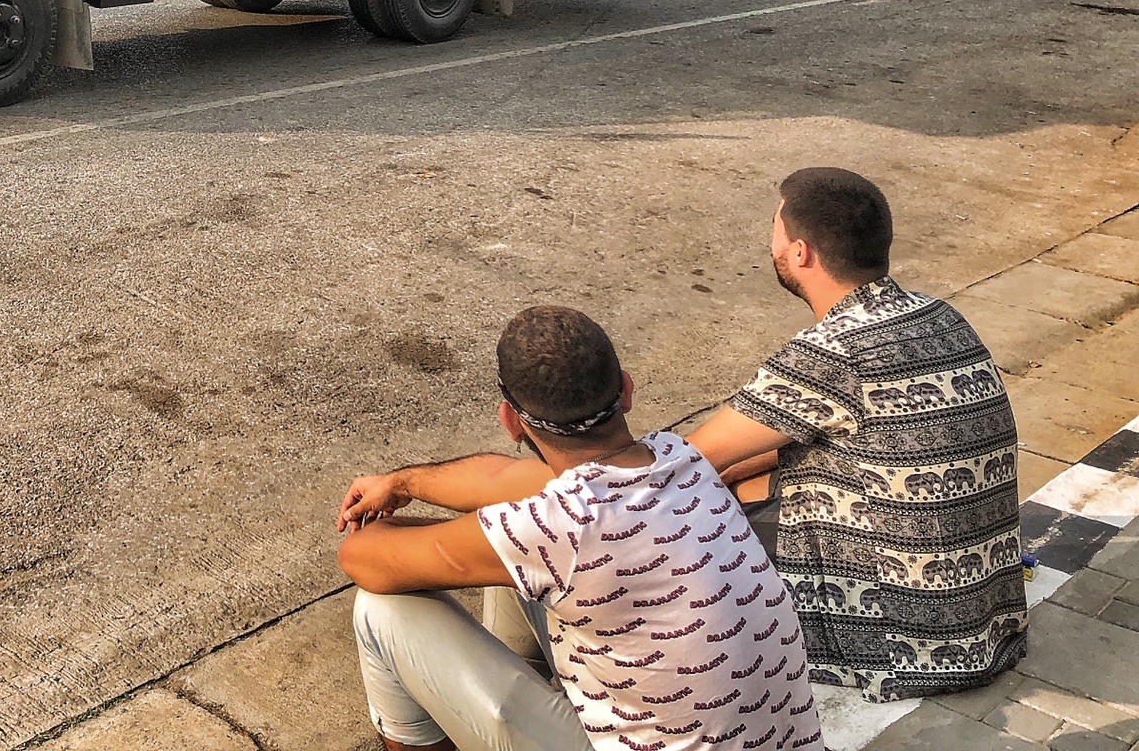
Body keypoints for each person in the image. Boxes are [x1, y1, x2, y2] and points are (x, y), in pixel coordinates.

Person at [337, 306, 819, 751]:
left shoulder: (553, 530)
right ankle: (526, 679)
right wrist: (403, 482)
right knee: (521, 538)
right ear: (626, 390)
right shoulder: (681, 458)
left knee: (380, 612)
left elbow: (364, 560)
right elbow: (504, 480)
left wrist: (413, 521)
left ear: (510, 421)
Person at [687, 168, 1026, 704]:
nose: (770, 242)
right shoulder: (940, 314)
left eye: (775, 230)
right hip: (986, 620)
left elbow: (687, 457)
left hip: (908, 643)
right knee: (745, 472)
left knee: (679, 516)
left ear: (800, 253)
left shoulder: (833, 350)